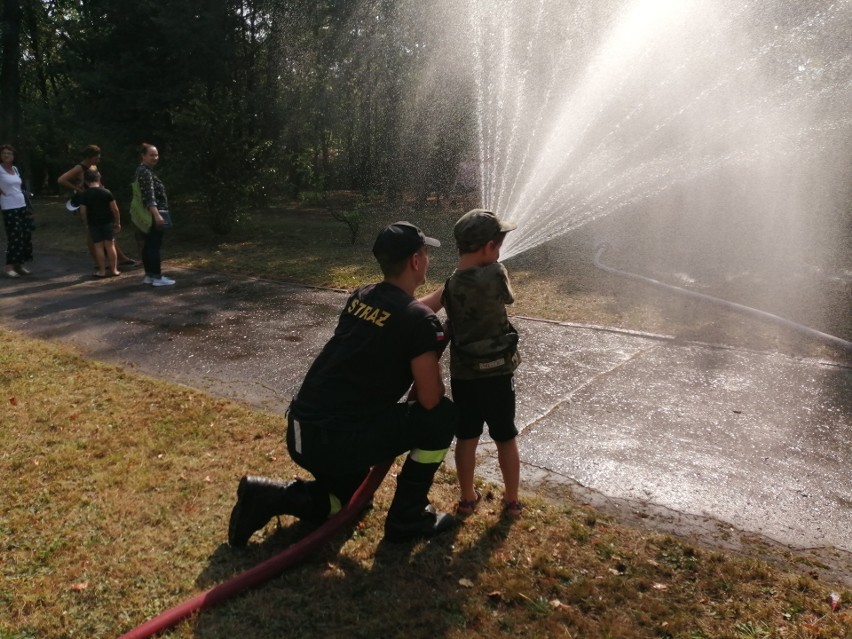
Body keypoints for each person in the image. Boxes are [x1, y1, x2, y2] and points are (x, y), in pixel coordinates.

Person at [228, 221, 459, 545]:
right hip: (337, 442)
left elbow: (406, 315)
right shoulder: (418, 323)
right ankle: (409, 516)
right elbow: (430, 400)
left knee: (345, 499)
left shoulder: (362, 296)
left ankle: (268, 496)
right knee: (441, 417)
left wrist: (449, 291)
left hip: (303, 433)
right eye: (425, 254)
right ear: (416, 261)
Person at [442, 209, 523, 518]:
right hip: (499, 373)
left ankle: (466, 497)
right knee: (505, 436)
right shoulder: (496, 272)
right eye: (498, 246)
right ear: (489, 247)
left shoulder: (450, 284)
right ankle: (512, 500)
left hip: (465, 375)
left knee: (466, 436)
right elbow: (509, 299)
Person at [57, 144, 138, 271]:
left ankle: (120, 258)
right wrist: (78, 189)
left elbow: (97, 180)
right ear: (89, 157)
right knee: (92, 232)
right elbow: (61, 180)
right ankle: (98, 261)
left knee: (107, 230)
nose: (98, 160)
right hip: (88, 202)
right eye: (96, 158)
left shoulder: (93, 166)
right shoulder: (80, 167)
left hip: (100, 199)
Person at [134, 143, 175, 287]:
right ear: (143, 155)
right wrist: (157, 215)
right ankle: (157, 277)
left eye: (156, 155)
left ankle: (149, 276)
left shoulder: (142, 170)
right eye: (151, 155)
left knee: (148, 245)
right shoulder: (145, 172)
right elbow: (149, 197)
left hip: (147, 214)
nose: (155, 158)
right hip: (153, 214)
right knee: (154, 245)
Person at [77, 170, 121, 278]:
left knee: (98, 247)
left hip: (93, 223)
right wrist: (117, 222)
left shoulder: (84, 194)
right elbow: (115, 209)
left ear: (86, 182)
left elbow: (82, 211)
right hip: (107, 222)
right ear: (99, 179)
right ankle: (114, 269)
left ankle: (102, 271)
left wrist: (85, 222)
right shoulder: (106, 192)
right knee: (110, 246)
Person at [0, 144, 34, 278]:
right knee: (15, 237)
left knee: (25, 235)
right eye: (4, 153)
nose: (6, 155)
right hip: (9, 207)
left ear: (14, 157)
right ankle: (9, 267)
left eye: (9, 153)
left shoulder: (15, 169)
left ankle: (19, 265)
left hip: (21, 205)